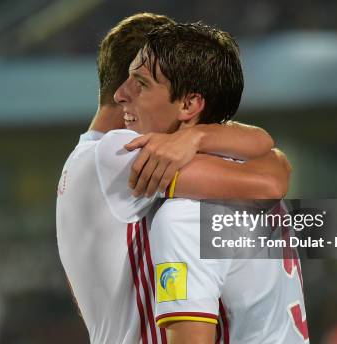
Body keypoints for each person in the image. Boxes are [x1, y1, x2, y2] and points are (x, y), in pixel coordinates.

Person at [56, 13, 291, 344]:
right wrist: (197, 138)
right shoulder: (119, 154)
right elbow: (270, 178)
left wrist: (197, 138)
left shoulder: (82, 160)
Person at [113, 24, 308, 343]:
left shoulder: (184, 217)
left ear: (188, 105)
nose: (122, 94)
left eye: (142, 84)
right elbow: (275, 166)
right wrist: (200, 134)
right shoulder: (249, 172)